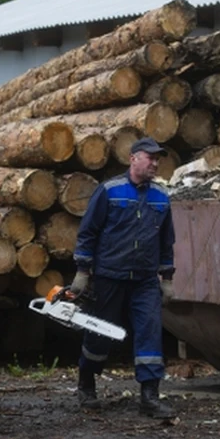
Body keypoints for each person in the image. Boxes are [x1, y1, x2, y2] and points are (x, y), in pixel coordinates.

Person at [68, 137, 176, 418]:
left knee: (150, 333)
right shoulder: (109, 191)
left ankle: (150, 397)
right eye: (149, 157)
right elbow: (88, 231)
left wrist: (167, 278)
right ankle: (87, 383)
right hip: (109, 277)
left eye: (157, 159)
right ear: (133, 158)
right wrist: (82, 271)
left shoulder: (161, 197)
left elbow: (166, 242)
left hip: (144, 281)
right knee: (100, 332)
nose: (154, 163)